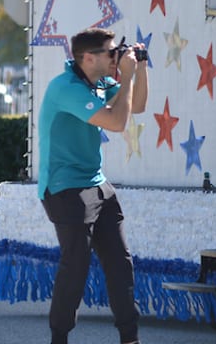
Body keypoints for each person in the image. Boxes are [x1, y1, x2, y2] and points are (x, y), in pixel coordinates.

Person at [38, 28, 149, 344]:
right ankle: (59, 338)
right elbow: (116, 123)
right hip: (64, 188)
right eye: (110, 52)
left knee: (120, 263)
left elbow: (137, 105)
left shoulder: (99, 81)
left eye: (117, 51)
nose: (116, 56)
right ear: (88, 58)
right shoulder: (66, 88)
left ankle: (130, 338)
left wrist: (138, 68)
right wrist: (125, 76)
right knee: (76, 266)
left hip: (96, 183)